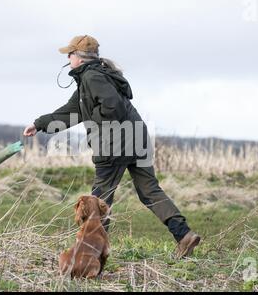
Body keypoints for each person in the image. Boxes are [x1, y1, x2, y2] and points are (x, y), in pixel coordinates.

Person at [23, 35, 200, 258]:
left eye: (70, 53)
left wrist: (97, 126)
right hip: (137, 137)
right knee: (149, 190)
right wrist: (39, 124)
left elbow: (112, 106)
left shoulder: (92, 77)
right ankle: (184, 235)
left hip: (115, 144)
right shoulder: (97, 76)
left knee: (99, 199)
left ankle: (92, 253)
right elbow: (72, 111)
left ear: (79, 57)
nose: (68, 57)